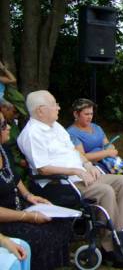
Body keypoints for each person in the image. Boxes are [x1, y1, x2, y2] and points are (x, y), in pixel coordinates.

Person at [17, 90, 123, 267]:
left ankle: (121, 232)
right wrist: (76, 171)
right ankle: (109, 246)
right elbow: (43, 168)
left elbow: (74, 151)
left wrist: (87, 165)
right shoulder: (32, 134)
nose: (58, 107)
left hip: (80, 175)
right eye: (54, 104)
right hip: (60, 183)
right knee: (106, 191)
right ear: (41, 110)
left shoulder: (55, 127)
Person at [0, 111, 72, 270]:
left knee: (61, 221)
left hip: (19, 205)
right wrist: (28, 216)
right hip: (5, 218)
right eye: (4, 125)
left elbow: (14, 176)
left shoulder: (3, 149)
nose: (9, 127)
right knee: (40, 234)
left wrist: (29, 195)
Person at [67, 98, 123, 187]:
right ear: (76, 114)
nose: (90, 117)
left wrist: (110, 147)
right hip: (92, 168)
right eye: (86, 114)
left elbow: (107, 144)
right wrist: (107, 153)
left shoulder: (96, 127)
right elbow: (82, 157)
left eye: (91, 114)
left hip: (107, 164)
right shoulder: (72, 133)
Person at [0, 99, 27, 181]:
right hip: (11, 165)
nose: (16, 116)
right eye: (14, 112)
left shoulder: (12, 123)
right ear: (3, 108)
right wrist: (19, 161)